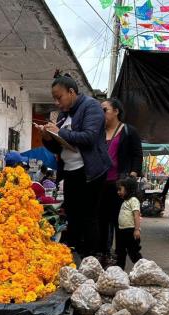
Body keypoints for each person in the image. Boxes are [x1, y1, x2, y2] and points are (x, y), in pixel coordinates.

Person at [39, 74, 110, 258]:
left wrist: (59, 131)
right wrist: (47, 137)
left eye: (59, 97)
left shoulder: (91, 107)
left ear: (71, 92)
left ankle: (91, 258)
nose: (56, 102)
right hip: (70, 172)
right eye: (54, 98)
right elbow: (58, 145)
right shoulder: (64, 114)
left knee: (89, 217)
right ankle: (74, 256)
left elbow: (89, 137)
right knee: (72, 215)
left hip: (89, 173)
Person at [99, 98, 143, 258]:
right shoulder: (98, 132)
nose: (101, 113)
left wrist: (132, 176)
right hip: (101, 183)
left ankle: (120, 255)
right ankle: (104, 253)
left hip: (120, 185)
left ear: (116, 111)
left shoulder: (128, 131)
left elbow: (137, 155)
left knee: (121, 221)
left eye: (105, 110)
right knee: (102, 221)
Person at [115, 177, 142, 269]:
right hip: (122, 231)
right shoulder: (125, 201)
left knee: (133, 252)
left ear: (128, 189)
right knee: (120, 252)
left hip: (131, 231)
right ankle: (119, 270)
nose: (118, 192)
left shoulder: (133, 200)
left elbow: (136, 215)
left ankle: (143, 268)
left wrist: (137, 230)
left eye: (120, 189)